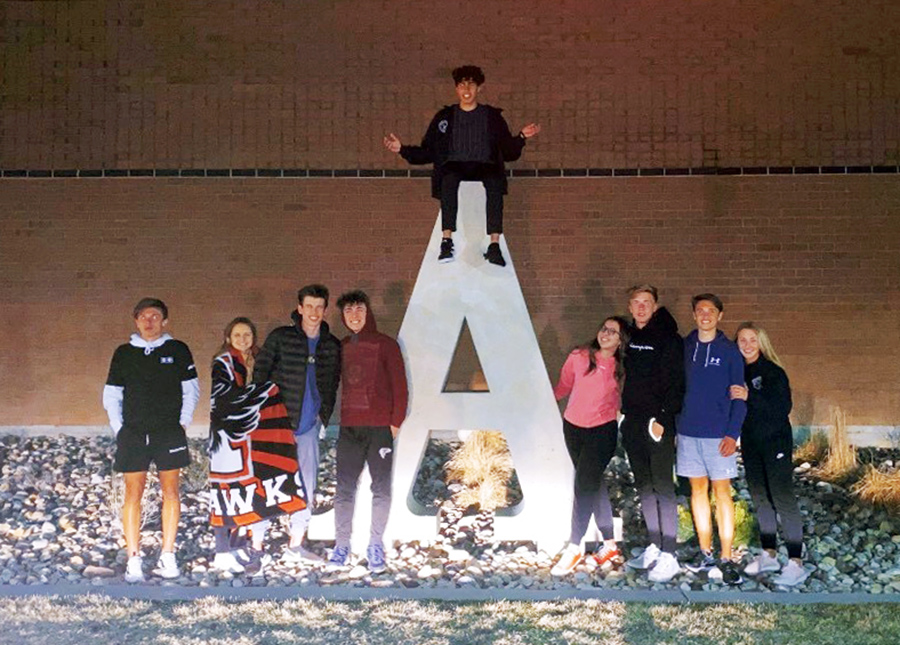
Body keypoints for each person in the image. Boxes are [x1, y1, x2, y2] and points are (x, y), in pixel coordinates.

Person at [383, 65, 541, 267]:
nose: (467, 89)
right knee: (448, 179)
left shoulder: (492, 117)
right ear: (456, 89)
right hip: (456, 165)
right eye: (462, 85)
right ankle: (447, 240)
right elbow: (429, 150)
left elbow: (508, 151)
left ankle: (494, 244)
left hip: (485, 165)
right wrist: (402, 149)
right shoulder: (445, 117)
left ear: (479, 89)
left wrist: (520, 137)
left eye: (472, 84)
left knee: (494, 183)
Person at [102, 298, 200, 583]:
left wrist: (182, 423)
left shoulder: (177, 350)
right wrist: (119, 428)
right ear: (136, 321)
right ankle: (134, 558)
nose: (149, 321)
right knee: (133, 494)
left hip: (168, 432)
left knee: (171, 492)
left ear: (164, 321)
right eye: (144, 316)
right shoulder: (123, 353)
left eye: (155, 316)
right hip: (133, 433)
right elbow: (112, 393)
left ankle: (167, 555)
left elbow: (190, 390)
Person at [207, 317, 309, 575]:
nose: (243, 340)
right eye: (237, 335)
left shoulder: (256, 360)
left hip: (252, 438)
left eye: (247, 335)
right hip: (227, 439)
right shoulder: (223, 363)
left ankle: (238, 544)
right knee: (225, 492)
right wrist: (265, 391)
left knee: (247, 491)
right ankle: (221, 552)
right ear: (228, 338)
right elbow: (225, 398)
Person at [253, 284, 341, 562]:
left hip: (308, 427)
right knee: (266, 482)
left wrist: (323, 416)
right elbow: (260, 374)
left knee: (306, 484)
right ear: (299, 308)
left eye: (319, 307)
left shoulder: (331, 345)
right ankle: (257, 546)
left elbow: (332, 382)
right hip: (276, 424)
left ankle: (295, 544)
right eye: (309, 306)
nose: (314, 312)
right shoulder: (281, 338)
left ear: (325, 310)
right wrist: (261, 414)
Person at [328, 291, 409, 572]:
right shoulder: (341, 346)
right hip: (350, 427)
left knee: (381, 489)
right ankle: (341, 545)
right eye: (348, 310)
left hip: (379, 429)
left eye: (359, 308)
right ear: (343, 316)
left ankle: (375, 545)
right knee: (344, 489)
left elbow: (400, 385)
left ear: (368, 311)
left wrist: (395, 422)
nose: (354, 315)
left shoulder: (387, 344)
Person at [731, 322, 809, 586]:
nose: (747, 344)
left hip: (774, 442)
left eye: (752, 339)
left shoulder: (773, 372)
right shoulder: (737, 371)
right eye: (742, 340)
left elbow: (781, 407)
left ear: (761, 343)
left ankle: (796, 562)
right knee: (760, 498)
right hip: (751, 443)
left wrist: (749, 395)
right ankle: (769, 554)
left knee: (782, 498)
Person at [550, 317, 629, 577]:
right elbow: (564, 386)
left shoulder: (621, 368)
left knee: (583, 484)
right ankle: (609, 544)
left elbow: (625, 400)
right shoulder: (579, 356)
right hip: (573, 428)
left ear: (620, 341)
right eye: (604, 328)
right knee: (593, 482)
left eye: (613, 332)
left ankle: (574, 547)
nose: (606, 334)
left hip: (602, 432)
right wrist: (543, 401)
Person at [677, 294, 747, 586]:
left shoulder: (730, 352)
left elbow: (739, 397)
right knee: (697, 491)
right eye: (700, 310)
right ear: (694, 315)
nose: (705, 314)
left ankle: (727, 557)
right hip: (688, 432)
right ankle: (706, 552)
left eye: (711, 310)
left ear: (720, 315)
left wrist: (733, 433)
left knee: (722, 494)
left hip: (719, 436)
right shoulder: (685, 347)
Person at [620, 285, 685, 583]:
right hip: (633, 421)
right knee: (644, 486)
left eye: (646, 302)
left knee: (662, 487)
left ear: (655, 306)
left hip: (657, 423)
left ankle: (670, 555)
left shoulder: (669, 338)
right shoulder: (631, 337)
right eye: (636, 303)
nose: (641, 307)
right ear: (631, 308)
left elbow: (676, 383)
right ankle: (655, 545)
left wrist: (662, 418)